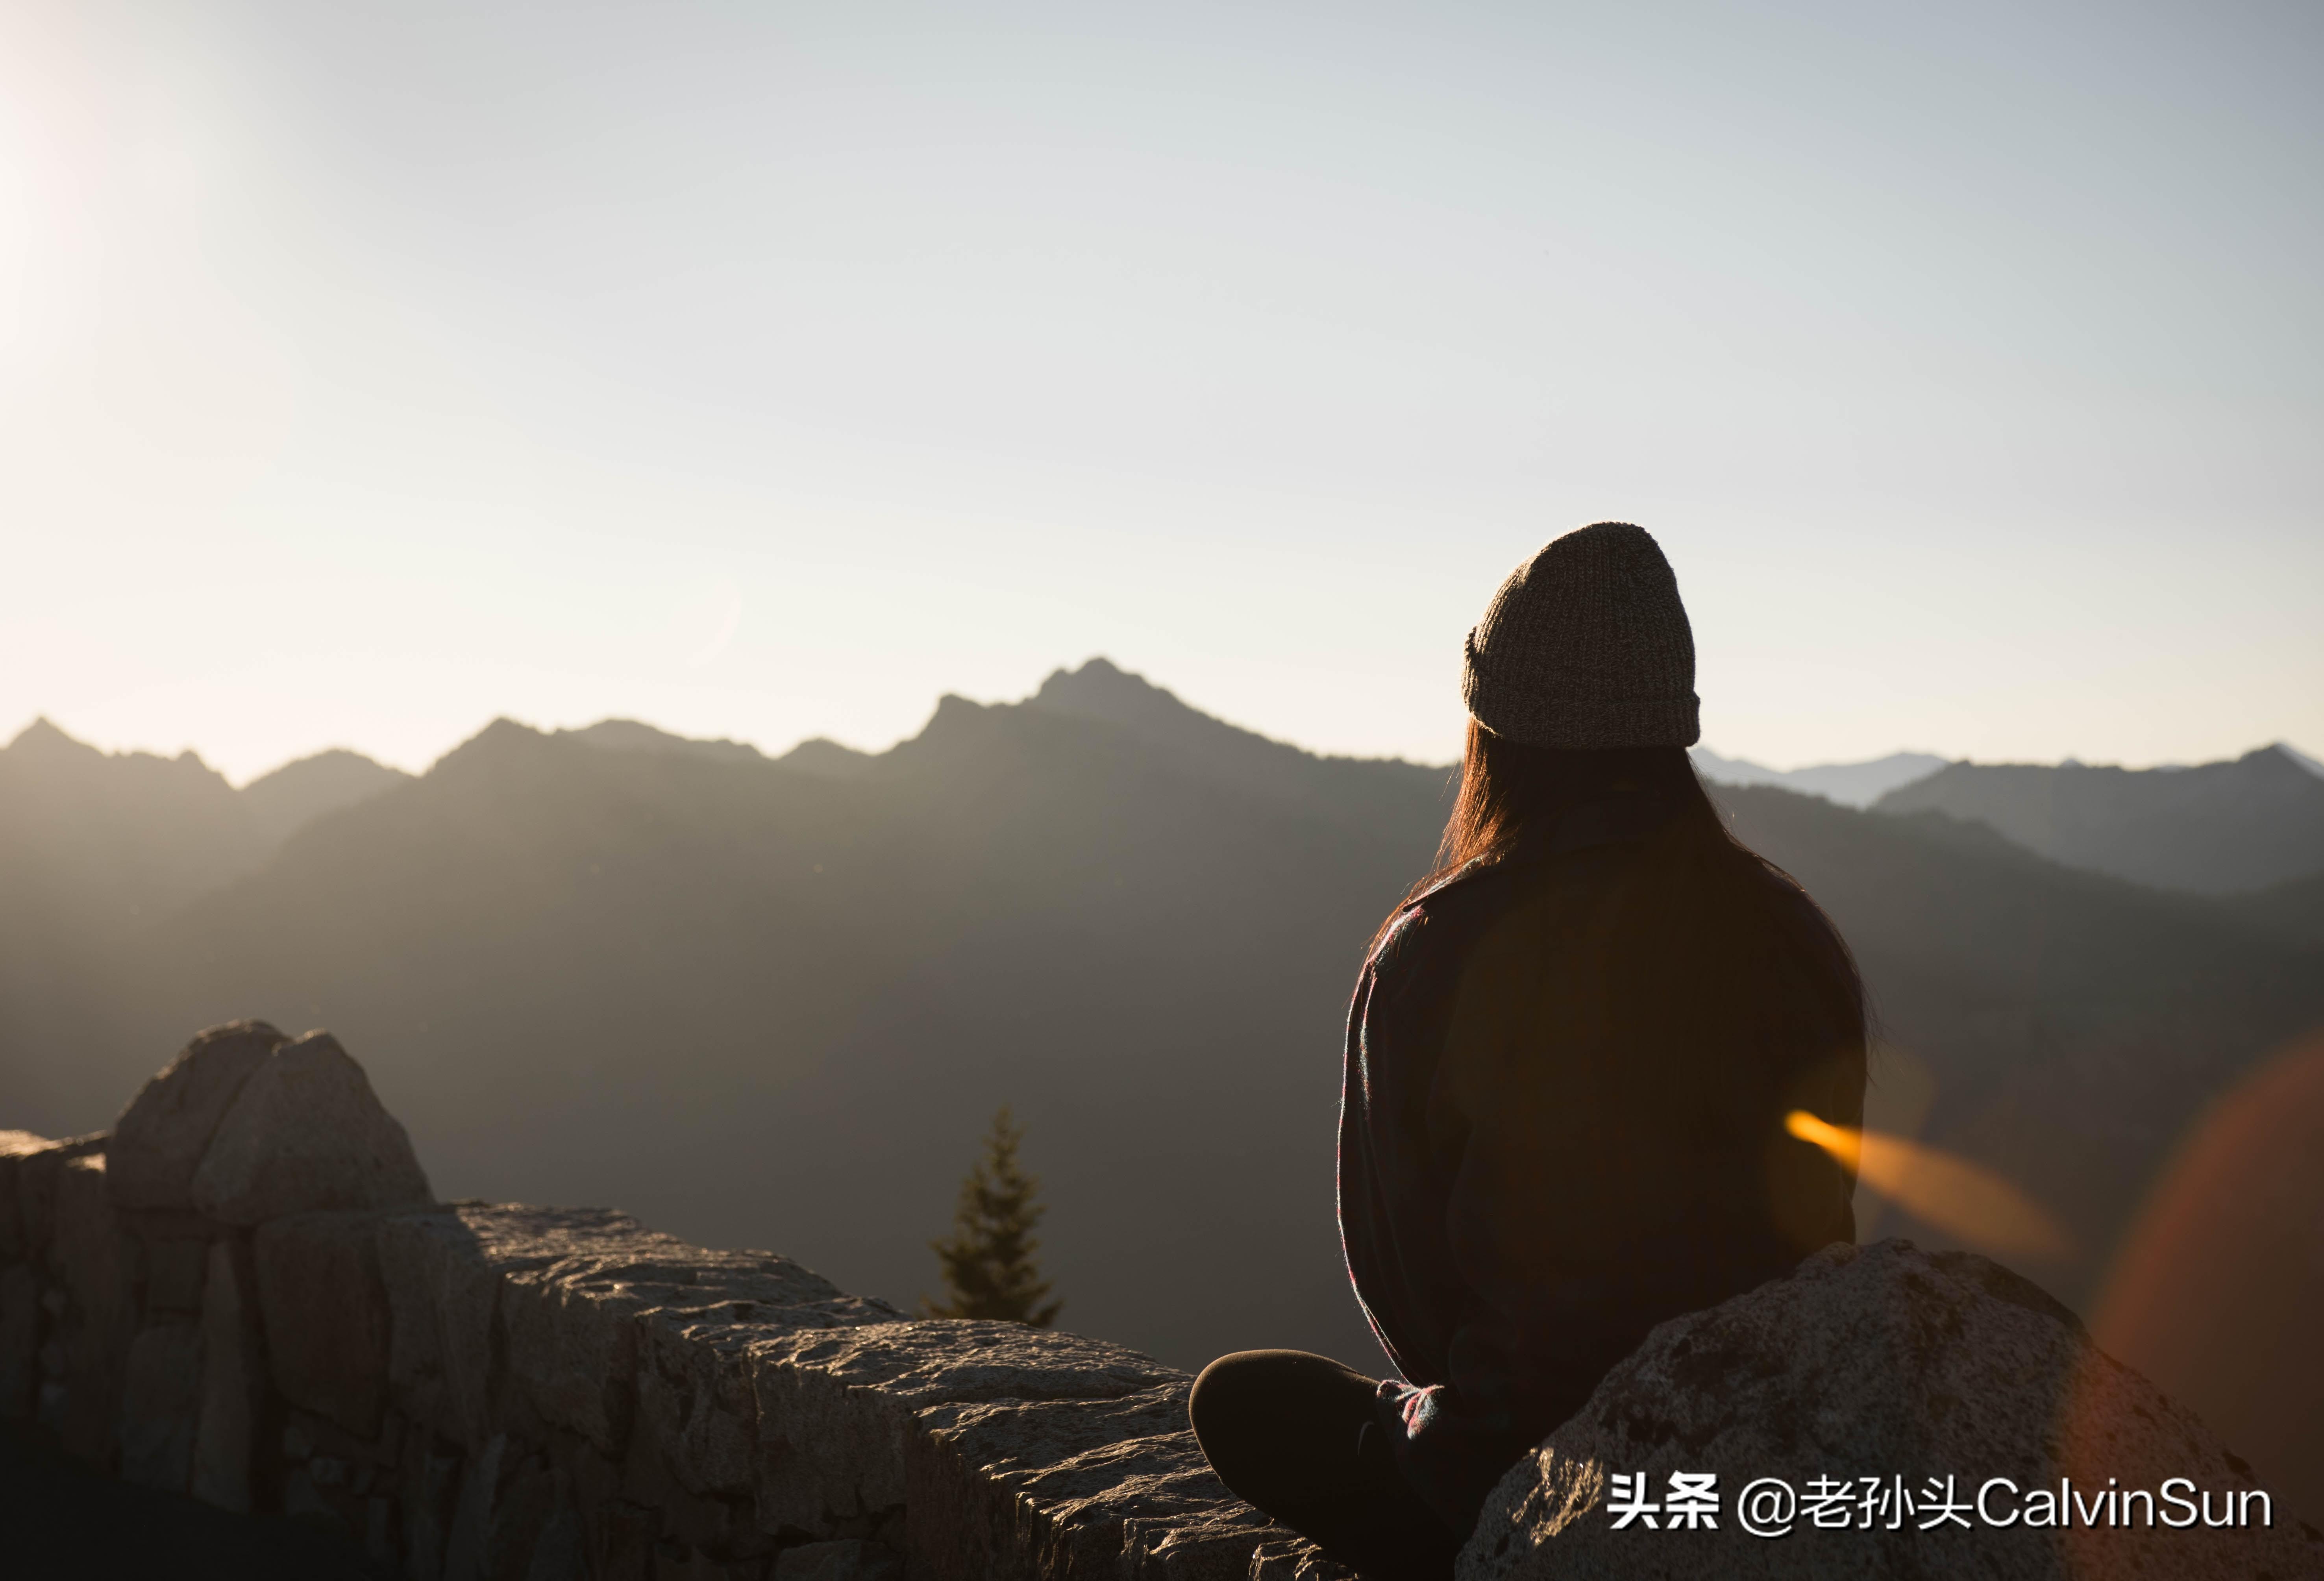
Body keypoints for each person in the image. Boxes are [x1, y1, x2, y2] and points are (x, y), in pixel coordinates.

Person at [1187, 522, 1867, 1577]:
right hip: (1759, 1454)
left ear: (1494, 728)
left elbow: (1402, 1270)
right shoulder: (1788, 935)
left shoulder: (1437, 947)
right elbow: (1822, 1221)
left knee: (1245, 1400)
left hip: (1527, 1472)